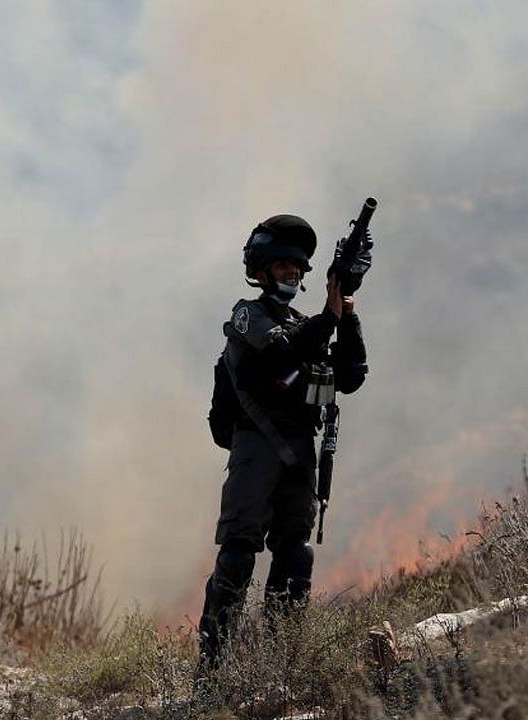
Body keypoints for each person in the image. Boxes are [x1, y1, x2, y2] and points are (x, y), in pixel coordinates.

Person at [198, 214, 369, 668]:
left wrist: (346, 311)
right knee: (238, 552)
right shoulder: (247, 316)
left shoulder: (307, 324)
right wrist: (328, 317)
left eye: (298, 269)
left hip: (299, 451)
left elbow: (350, 378)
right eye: (282, 267)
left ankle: (280, 663)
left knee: (296, 553)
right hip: (256, 446)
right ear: (260, 271)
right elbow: (282, 353)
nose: (292, 274)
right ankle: (212, 671)